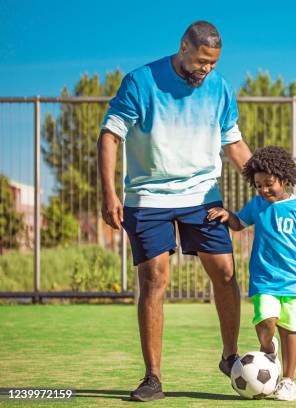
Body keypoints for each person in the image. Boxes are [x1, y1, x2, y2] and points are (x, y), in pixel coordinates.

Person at [97, 20, 252, 402]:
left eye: (213, 64)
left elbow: (233, 145)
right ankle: (152, 377)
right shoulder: (140, 82)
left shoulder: (219, 88)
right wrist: (109, 193)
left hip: (202, 195)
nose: (206, 70)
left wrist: (266, 183)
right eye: (201, 61)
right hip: (148, 197)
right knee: (155, 279)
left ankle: (230, 356)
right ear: (184, 47)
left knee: (226, 272)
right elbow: (110, 135)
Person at [207, 146, 296, 401]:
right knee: (265, 322)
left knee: (289, 330)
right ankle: (269, 351)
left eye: (269, 184)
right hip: (264, 280)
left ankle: (289, 381)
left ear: (284, 178)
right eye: (258, 185)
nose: (263, 190)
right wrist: (229, 216)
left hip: (295, 282)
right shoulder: (257, 204)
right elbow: (239, 223)